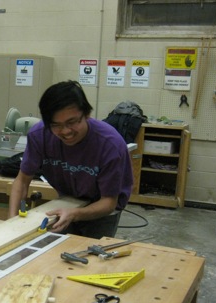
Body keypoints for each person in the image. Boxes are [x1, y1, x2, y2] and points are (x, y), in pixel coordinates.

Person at [8, 80, 133, 239]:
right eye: (56, 125)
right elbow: (22, 181)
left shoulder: (110, 145)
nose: (65, 131)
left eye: (72, 122)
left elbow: (108, 202)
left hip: (103, 210)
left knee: (93, 256)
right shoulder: (39, 135)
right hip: (66, 201)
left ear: (87, 114)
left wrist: (74, 214)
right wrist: (12, 221)